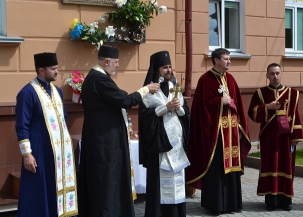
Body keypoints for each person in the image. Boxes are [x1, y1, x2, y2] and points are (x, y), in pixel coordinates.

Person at [78, 45, 159, 217]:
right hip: (103, 140)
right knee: (105, 179)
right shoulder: (98, 79)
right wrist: (146, 89)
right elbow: (125, 100)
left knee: (111, 177)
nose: (118, 65)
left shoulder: (98, 77)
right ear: (107, 62)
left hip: (105, 137)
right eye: (116, 62)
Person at [186, 48, 251, 215]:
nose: (229, 61)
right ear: (215, 60)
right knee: (217, 169)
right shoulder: (205, 80)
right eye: (226, 58)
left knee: (232, 168)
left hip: (232, 132)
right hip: (215, 135)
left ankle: (232, 204)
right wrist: (219, 101)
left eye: (230, 58)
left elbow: (238, 104)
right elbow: (201, 107)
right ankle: (215, 205)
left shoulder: (230, 79)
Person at [15, 52, 78, 216]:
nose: (57, 72)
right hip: (39, 149)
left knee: (55, 185)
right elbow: (22, 125)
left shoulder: (58, 91)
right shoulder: (27, 93)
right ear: (41, 70)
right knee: (38, 188)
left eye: (57, 68)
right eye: (53, 69)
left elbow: (63, 118)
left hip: (58, 152)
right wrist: (27, 154)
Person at [139, 51, 190, 217]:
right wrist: (165, 108)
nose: (168, 70)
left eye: (170, 67)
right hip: (159, 145)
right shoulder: (150, 90)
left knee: (178, 181)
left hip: (177, 144)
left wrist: (179, 108)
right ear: (156, 69)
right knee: (159, 184)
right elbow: (146, 117)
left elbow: (185, 112)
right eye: (164, 67)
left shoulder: (175, 87)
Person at [247, 63, 303, 211]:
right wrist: (267, 107)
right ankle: (271, 201)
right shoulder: (260, 93)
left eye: (277, 73)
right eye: (272, 73)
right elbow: (251, 112)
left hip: (285, 139)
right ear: (267, 75)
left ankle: (285, 201)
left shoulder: (292, 93)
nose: (275, 76)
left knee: (286, 166)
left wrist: (296, 136)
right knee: (270, 165)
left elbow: (296, 116)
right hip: (269, 137)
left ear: (282, 74)